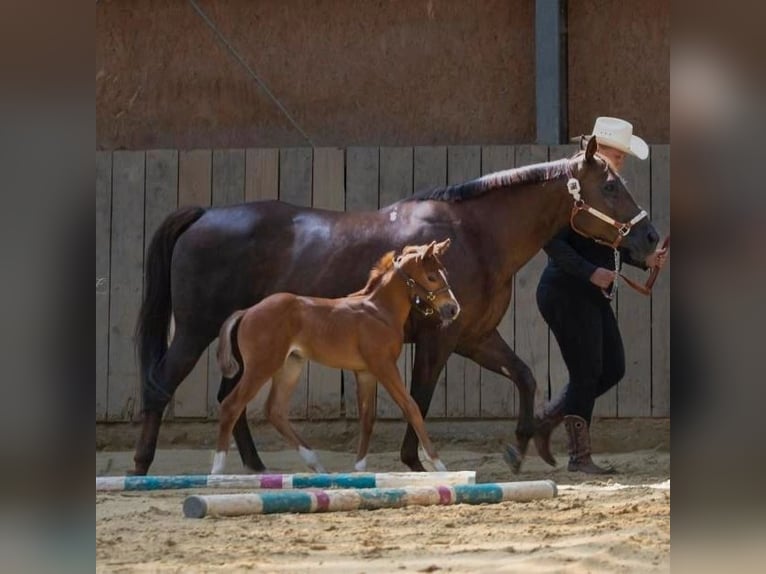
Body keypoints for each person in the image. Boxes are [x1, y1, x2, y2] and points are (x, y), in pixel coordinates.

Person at [533, 117, 668, 474]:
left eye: (622, 157)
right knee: (589, 372)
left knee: (612, 368)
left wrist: (645, 259)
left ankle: (544, 423)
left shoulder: (602, 189)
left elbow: (609, 243)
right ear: (598, 151)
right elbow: (551, 242)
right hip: (566, 290)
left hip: (588, 292)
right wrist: (590, 272)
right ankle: (578, 457)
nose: (620, 163)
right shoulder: (572, 189)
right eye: (617, 155)